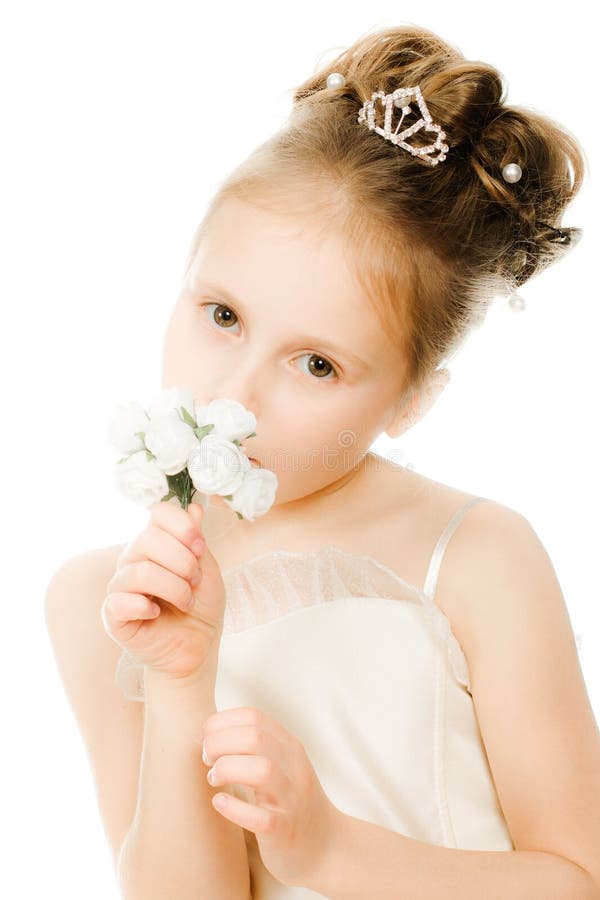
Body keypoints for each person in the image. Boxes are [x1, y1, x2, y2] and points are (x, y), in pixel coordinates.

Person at [45, 22, 600, 900]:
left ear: (410, 400)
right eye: (222, 315)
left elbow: (578, 877)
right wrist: (181, 678)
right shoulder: (102, 603)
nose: (234, 396)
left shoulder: (478, 554)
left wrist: (334, 853)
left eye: (316, 365)